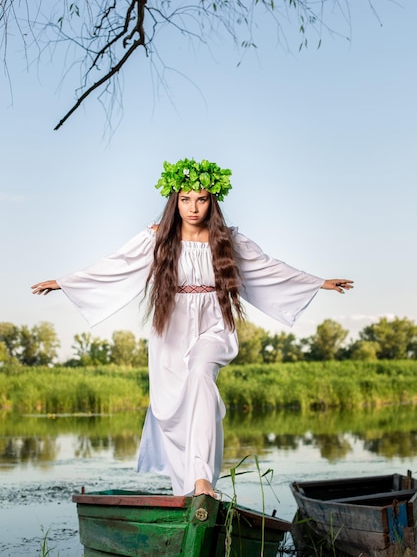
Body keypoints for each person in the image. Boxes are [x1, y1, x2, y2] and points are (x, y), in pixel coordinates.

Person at [32, 158, 353, 498]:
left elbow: (268, 268)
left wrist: (318, 283)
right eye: (185, 199)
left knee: (201, 375)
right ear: (175, 201)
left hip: (214, 325)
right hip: (169, 328)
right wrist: (65, 283)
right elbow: (116, 266)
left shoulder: (227, 240)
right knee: (171, 411)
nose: (193, 207)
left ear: (212, 201)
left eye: (201, 199)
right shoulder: (157, 238)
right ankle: (187, 493)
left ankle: (201, 479)